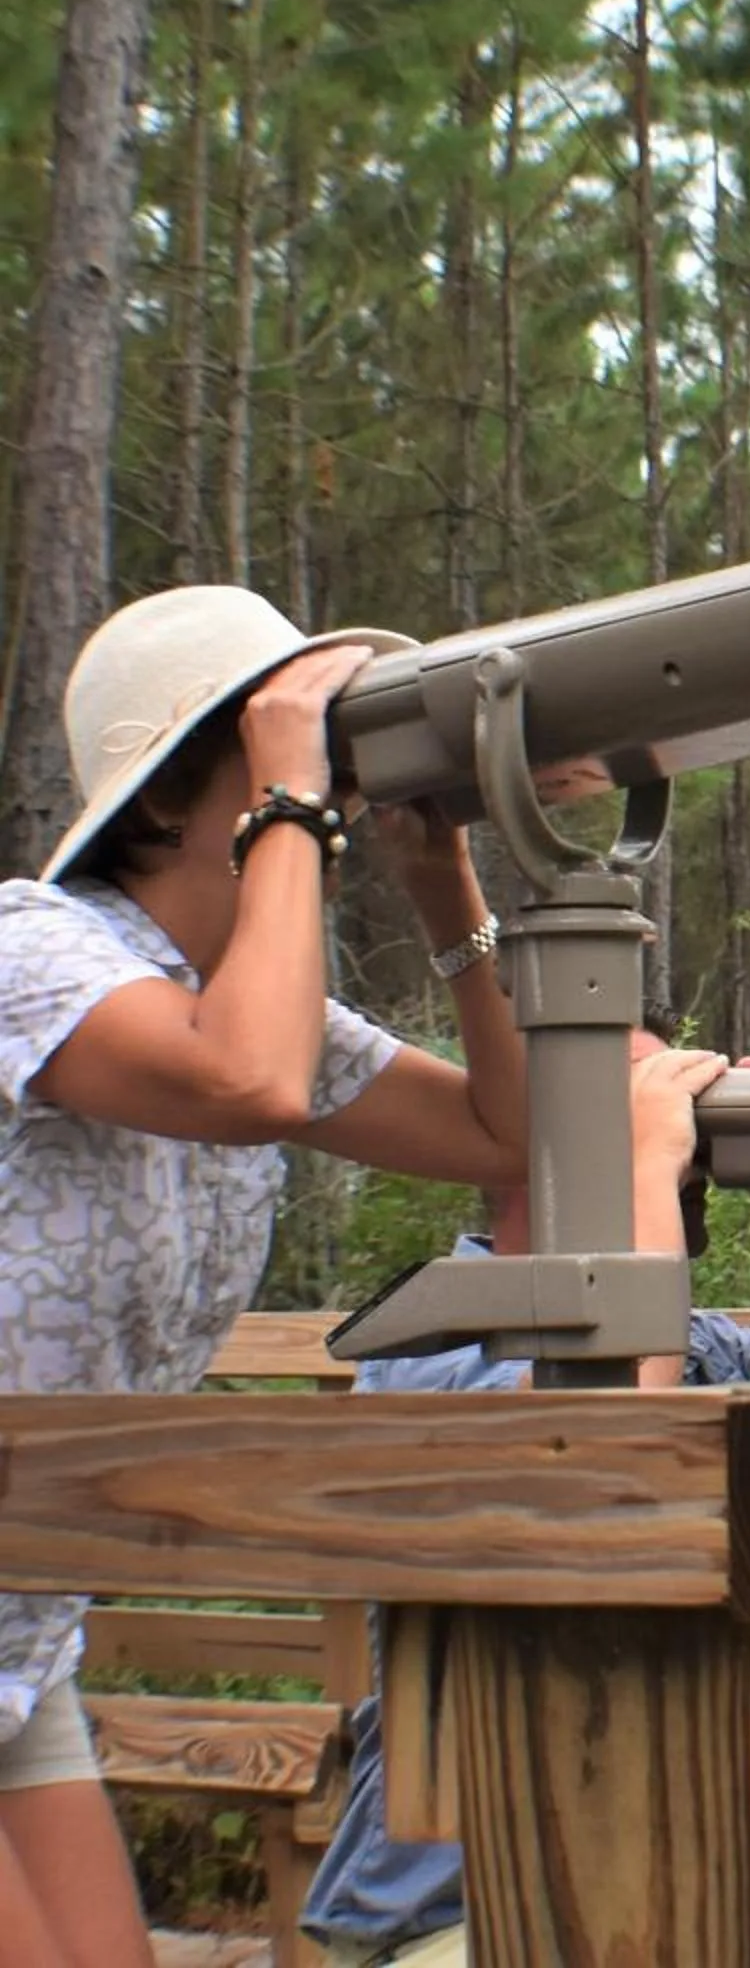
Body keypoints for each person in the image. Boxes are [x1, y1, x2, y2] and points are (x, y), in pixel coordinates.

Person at [0, 587, 529, 1968]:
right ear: (175, 794)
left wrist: (444, 884)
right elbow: (244, 1081)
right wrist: (290, 797)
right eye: (283, 739)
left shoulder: (267, 1008)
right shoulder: (30, 949)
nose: (335, 795)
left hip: (24, 1630)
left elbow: (513, 1141)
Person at [301, 1034, 750, 1968]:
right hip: (459, 1918)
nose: (677, 1128)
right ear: (536, 1151)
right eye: (630, 1103)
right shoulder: (430, 1342)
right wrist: (645, 1160)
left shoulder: (699, 1344)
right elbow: (602, 1459)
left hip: (679, 1883)